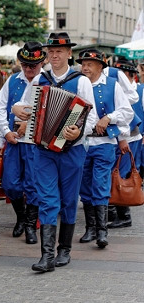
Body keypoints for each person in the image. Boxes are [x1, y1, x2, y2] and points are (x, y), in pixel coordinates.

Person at [30, 32, 97, 272]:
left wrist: (77, 132)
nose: (54, 55)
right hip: (44, 149)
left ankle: (64, 249)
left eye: (59, 51)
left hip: (72, 150)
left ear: (69, 53)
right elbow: (30, 111)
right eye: (51, 51)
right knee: (48, 200)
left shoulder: (81, 81)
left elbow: (92, 118)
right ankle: (47, 256)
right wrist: (20, 111)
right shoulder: (40, 78)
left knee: (69, 201)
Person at [76, 49, 133, 248]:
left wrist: (109, 117)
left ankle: (102, 231)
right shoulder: (76, 84)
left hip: (104, 143)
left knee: (99, 184)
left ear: (100, 66)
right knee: (84, 186)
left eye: (89, 64)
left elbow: (127, 111)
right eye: (83, 64)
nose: (85, 67)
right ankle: (90, 228)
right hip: (80, 144)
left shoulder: (112, 85)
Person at [0, 42, 47, 245]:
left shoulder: (47, 81)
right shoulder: (12, 81)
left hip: (36, 142)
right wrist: (6, 132)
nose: (28, 69)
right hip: (15, 140)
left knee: (33, 184)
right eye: (25, 64)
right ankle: (21, 217)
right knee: (10, 184)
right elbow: (0, 108)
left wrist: (29, 123)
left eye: (32, 65)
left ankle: (30, 225)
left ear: (41, 63)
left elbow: (51, 112)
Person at [108, 59, 144, 229]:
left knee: (120, 172)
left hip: (129, 134)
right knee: (114, 171)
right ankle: (112, 210)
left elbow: (133, 97)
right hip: (118, 134)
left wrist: (117, 101)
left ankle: (124, 216)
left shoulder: (115, 76)